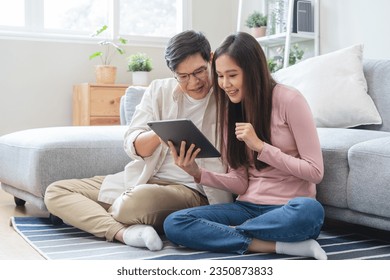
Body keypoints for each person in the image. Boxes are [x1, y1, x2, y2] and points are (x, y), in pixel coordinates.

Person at [44, 30, 232, 251]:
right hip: (143, 178)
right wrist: (162, 133)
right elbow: (132, 144)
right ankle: (125, 233)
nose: (193, 82)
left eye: (199, 71)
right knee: (56, 192)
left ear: (210, 58)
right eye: (183, 76)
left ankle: (104, 215)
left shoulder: (228, 95)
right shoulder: (159, 90)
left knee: (132, 204)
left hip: (192, 190)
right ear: (173, 73)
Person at [163, 32, 327, 260]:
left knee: (311, 212)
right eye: (220, 76)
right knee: (175, 222)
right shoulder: (231, 110)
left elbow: (315, 172)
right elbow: (240, 183)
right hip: (247, 207)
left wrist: (262, 147)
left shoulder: (290, 100)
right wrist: (198, 173)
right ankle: (275, 245)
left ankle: (226, 234)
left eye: (232, 75)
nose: (224, 84)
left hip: (288, 208)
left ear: (252, 71)